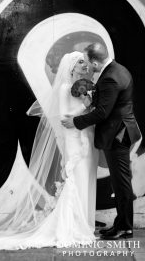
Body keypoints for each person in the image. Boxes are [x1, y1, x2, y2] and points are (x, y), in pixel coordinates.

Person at [0, 51, 99, 250]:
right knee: (75, 180)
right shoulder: (65, 88)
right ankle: (71, 226)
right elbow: (64, 117)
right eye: (80, 62)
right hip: (74, 140)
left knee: (84, 180)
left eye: (85, 61)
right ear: (71, 67)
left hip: (86, 137)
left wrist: (88, 102)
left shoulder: (83, 87)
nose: (85, 65)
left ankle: (83, 223)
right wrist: (87, 108)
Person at [62, 43, 141, 240]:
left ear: (96, 62)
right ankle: (121, 224)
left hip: (118, 135)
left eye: (88, 62)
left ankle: (124, 227)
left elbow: (102, 112)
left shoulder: (110, 78)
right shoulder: (117, 70)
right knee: (120, 181)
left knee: (121, 182)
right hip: (120, 131)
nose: (88, 66)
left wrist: (75, 122)